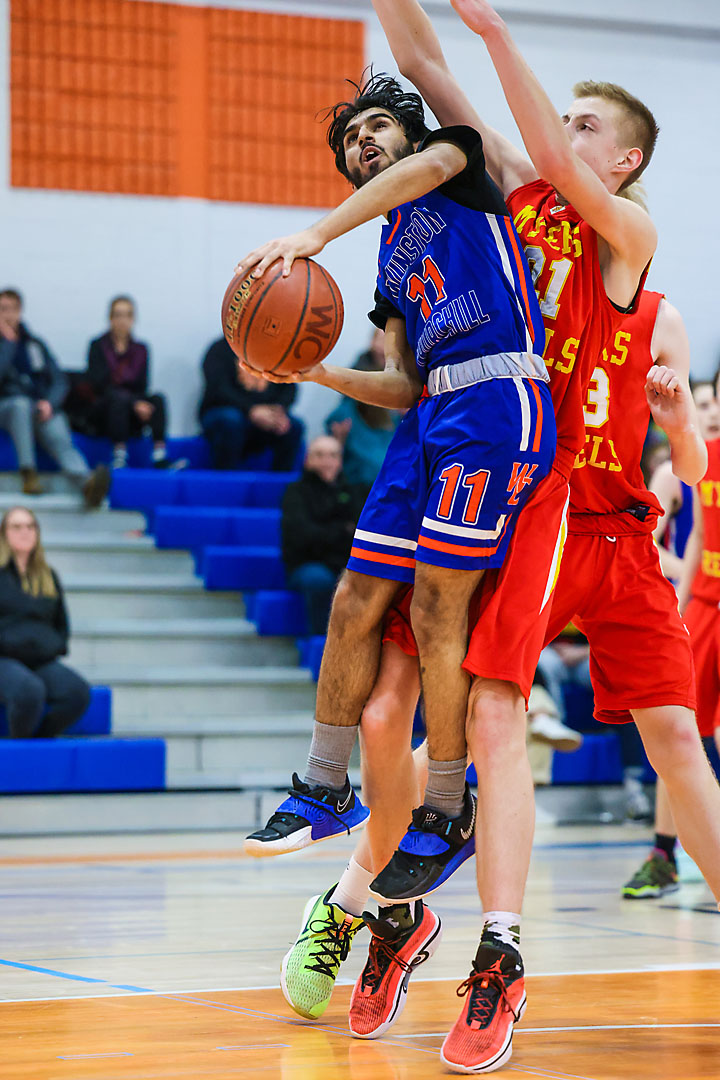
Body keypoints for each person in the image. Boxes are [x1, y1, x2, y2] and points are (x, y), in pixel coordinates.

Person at [355, 2, 660, 1069]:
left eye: (586, 124)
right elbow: (419, 61)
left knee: (492, 713)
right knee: (386, 704)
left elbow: (516, 125)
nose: (562, 131)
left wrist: (497, 35)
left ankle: (501, 950)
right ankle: (390, 912)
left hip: (545, 490)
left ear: (621, 160)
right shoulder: (505, 195)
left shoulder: (619, 227)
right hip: (459, 453)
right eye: (561, 118)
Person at [242, 66, 555, 1036]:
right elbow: (402, 383)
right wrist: (312, 366)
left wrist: (313, 232)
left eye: (374, 130)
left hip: (496, 399)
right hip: (434, 417)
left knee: (437, 614)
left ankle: (444, 812)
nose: (363, 148)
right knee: (350, 608)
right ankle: (321, 787)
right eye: (350, 145)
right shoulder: (389, 253)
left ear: (407, 132)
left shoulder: (454, 166)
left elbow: (410, 148)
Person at [623, 373, 720, 900]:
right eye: (703, 402)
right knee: (679, 735)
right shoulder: (675, 471)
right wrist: (686, 576)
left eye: (713, 404)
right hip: (693, 603)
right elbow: (648, 543)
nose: (709, 411)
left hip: (698, 598)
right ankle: (663, 851)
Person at [0, 290, 109, 506]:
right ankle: (28, 472)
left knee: (56, 428)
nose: (8, 315)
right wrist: (8, 345)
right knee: (21, 406)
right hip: (7, 406)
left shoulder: (35, 344)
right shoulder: (5, 345)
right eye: (3, 309)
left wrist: (50, 403)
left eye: (12, 309)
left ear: (20, 312)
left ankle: (86, 483)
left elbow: (59, 380)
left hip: (37, 406)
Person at [0, 506, 90, 738]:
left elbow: (62, 623)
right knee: (29, 691)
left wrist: (54, 645)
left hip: (40, 661)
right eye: (17, 527)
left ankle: (40, 742)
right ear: (4, 534)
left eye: (31, 526)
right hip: (4, 660)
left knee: (77, 693)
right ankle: (20, 753)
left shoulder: (48, 576)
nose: (25, 532)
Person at [281, 436, 366, 635]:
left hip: (345, 563)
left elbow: (360, 535)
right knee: (318, 580)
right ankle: (320, 642)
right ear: (307, 460)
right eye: (319, 455)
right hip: (308, 564)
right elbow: (302, 537)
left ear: (340, 460)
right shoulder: (295, 493)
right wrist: (342, 531)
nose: (327, 461)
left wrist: (331, 533)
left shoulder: (355, 492)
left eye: (333, 455)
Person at [85, 296, 173, 470]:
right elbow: (99, 385)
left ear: (133, 319)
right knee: (118, 399)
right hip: (106, 408)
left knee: (157, 399)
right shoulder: (98, 346)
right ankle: (119, 454)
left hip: (133, 408)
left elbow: (142, 385)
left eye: (127, 315)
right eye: (118, 315)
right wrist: (133, 402)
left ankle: (159, 454)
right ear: (110, 318)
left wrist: (137, 403)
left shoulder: (141, 349)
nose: (122, 320)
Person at [199, 336, 304, 471]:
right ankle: (227, 481)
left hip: (267, 415)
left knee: (293, 426)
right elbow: (218, 390)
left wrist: (278, 410)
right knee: (230, 421)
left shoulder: (278, 349)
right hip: (226, 412)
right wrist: (250, 410)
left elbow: (289, 387)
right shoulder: (220, 349)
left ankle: (281, 485)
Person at [325, 330, 400, 496]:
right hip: (364, 438)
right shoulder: (359, 371)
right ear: (373, 343)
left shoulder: (409, 374)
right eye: (382, 339)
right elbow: (340, 413)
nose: (386, 346)